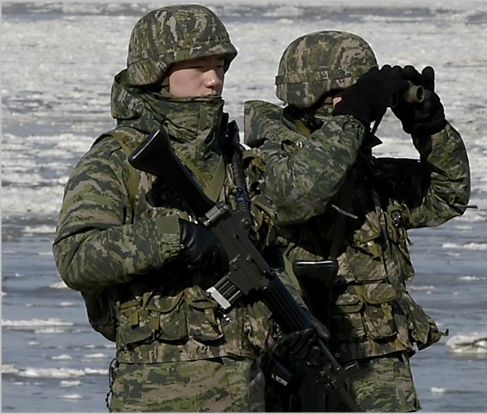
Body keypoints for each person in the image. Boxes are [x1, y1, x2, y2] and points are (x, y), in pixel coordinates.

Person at [52, 5, 312, 412]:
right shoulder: (117, 160)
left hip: (248, 389)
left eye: (220, 67)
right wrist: (174, 237)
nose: (214, 80)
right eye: (199, 67)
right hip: (160, 393)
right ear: (154, 72)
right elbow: (76, 255)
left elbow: (273, 249)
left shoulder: (234, 162)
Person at [243, 30, 472, 412]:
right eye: (352, 92)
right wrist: (354, 115)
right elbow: (298, 197)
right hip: (303, 361)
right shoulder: (266, 165)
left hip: (378, 361)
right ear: (314, 93)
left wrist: (429, 128)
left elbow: (446, 195)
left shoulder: (363, 172)